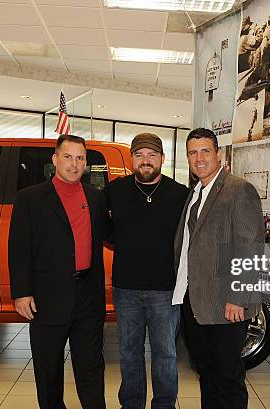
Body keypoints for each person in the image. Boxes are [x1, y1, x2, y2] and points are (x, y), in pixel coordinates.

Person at [8, 134, 108, 409]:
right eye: (68, 157)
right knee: (48, 368)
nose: (74, 164)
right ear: (55, 160)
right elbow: (18, 249)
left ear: (86, 162)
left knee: (91, 367)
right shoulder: (29, 198)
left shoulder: (95, 198)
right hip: (47, 296)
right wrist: (21, 292)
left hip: (88, 295)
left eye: (80, 158)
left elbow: (109, 236)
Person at [172, 128, 264, 409]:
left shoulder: (239, 189)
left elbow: (250, 247)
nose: (199, 158)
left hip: (227, 304)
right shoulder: (194, 193)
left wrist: (238, 297)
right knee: (207, 374)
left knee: (228, 377)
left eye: (205, 151)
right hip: (195, 301)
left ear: (218, 154)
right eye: (192, 152)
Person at [105, 133, 189, 409]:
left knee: (165, 353)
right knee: (129, 353)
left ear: (162, 159)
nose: (146, 160)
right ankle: (131, 403)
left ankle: (164, 404)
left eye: (152, 155)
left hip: (165, 290)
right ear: (131, 160)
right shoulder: (114, 191)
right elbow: (106, 233)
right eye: (140, 155)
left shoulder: (180, 195)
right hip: (125, 288)